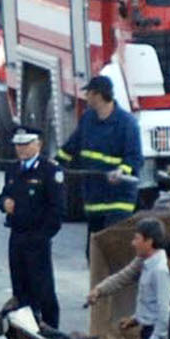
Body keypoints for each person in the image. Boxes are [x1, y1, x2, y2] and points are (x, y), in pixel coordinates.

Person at [60, 76, 142, 235]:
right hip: (94, 199)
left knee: (113, 247)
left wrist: (122, 171)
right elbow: (72, 146)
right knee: (94, 252)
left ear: (97, 95)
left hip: (119, 199)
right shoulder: (88, 119)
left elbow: (135, 158)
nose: (86, 97)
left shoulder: (126, 123)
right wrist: (55, 163)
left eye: (88, 93)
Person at [0, 125, 64, 329]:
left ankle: (51, 331)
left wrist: (43, 236)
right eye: (18, 145)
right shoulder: (13, 169)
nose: (21, 149)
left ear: (38, 144)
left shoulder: (50, 170)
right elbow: (3, 195)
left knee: (43, 289)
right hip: (17, 235)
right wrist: (4, 203)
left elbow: (57, 209)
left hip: (37, 237)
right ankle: (24, 331)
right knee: (20, 289)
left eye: (25, 144)